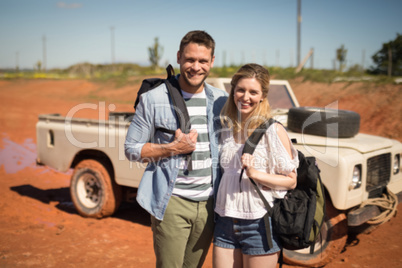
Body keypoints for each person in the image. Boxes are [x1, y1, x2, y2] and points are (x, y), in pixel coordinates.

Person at [125, 30, 228, 268]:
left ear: (212, 62)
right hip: (172, 202)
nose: (196, 67)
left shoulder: (222, 100)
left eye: (203, 61)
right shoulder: (153, 99)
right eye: (190, 59)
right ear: (179, 57)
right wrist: (172, 148)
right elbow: (131, 149)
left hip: (210, 204)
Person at [213, 64, 299, 268]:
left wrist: (255, 174)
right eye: (241, 90)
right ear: (233, 91)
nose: (245, 97)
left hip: (258, 223)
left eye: (253, 92)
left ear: (262, 96)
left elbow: (291, 180)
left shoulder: (273, 130)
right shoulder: (227, 129)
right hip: (225, 220)